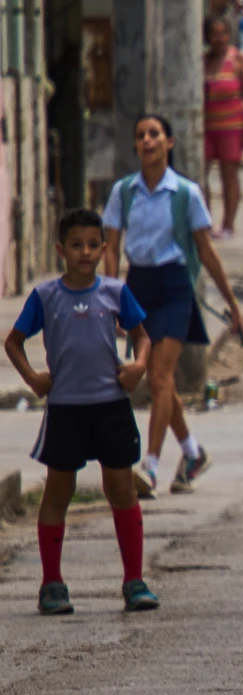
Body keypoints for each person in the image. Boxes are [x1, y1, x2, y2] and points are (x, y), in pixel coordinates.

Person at [6, 209, 157, 616]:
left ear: (104, 249)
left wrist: (139, 366)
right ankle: (52, 583)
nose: (85, 252)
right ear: (61, 250)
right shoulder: (46, 297)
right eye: (76, 245)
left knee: (122, 491)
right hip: (66, 408)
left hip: (111, 405)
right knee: (59, 491)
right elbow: (13, 341)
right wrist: (34, 379)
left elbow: (143, 337)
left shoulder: (115, 292)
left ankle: (134, 581)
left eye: (93, 245)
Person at [103, 113, 243, 500]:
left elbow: (206, 250)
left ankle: (149, 464)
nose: (147, 140)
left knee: (160, 376)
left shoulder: (185, 193)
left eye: (154, 134)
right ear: (135, 146)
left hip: (176, 286)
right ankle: (193, 453)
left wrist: (230, 301)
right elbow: (112, 247)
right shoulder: (123, 193)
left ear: (169, 142)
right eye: (140, 135)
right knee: (159, 381)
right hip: (138, 286)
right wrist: (113, 296)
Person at [202, 16, 243, 240]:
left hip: (232, 127)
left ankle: (228, 225)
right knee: (200, 176)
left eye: (223, 33)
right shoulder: (202, 61)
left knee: (229, 176)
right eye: (215, 33)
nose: (220, 38)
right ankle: (204, 224)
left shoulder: (238, 59)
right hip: (205, 129)